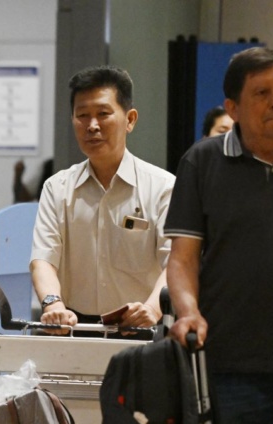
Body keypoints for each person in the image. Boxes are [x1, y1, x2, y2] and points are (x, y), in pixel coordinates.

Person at [165, 47, 273, 424]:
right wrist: (187, 312)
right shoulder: (201, 164)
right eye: (262, 93)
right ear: (233, 108)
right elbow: (182, 258)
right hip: (231, 363)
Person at [30, 65, 175, 337]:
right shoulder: (57, 188)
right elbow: (43, 258)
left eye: (103, 114)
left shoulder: (163, 187)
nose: (92, 126)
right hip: (72, 326)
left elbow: (176, 262)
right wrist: (52, 304)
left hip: (141, 326)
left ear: (130, 119)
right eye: (82, 115)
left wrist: (153, 309)